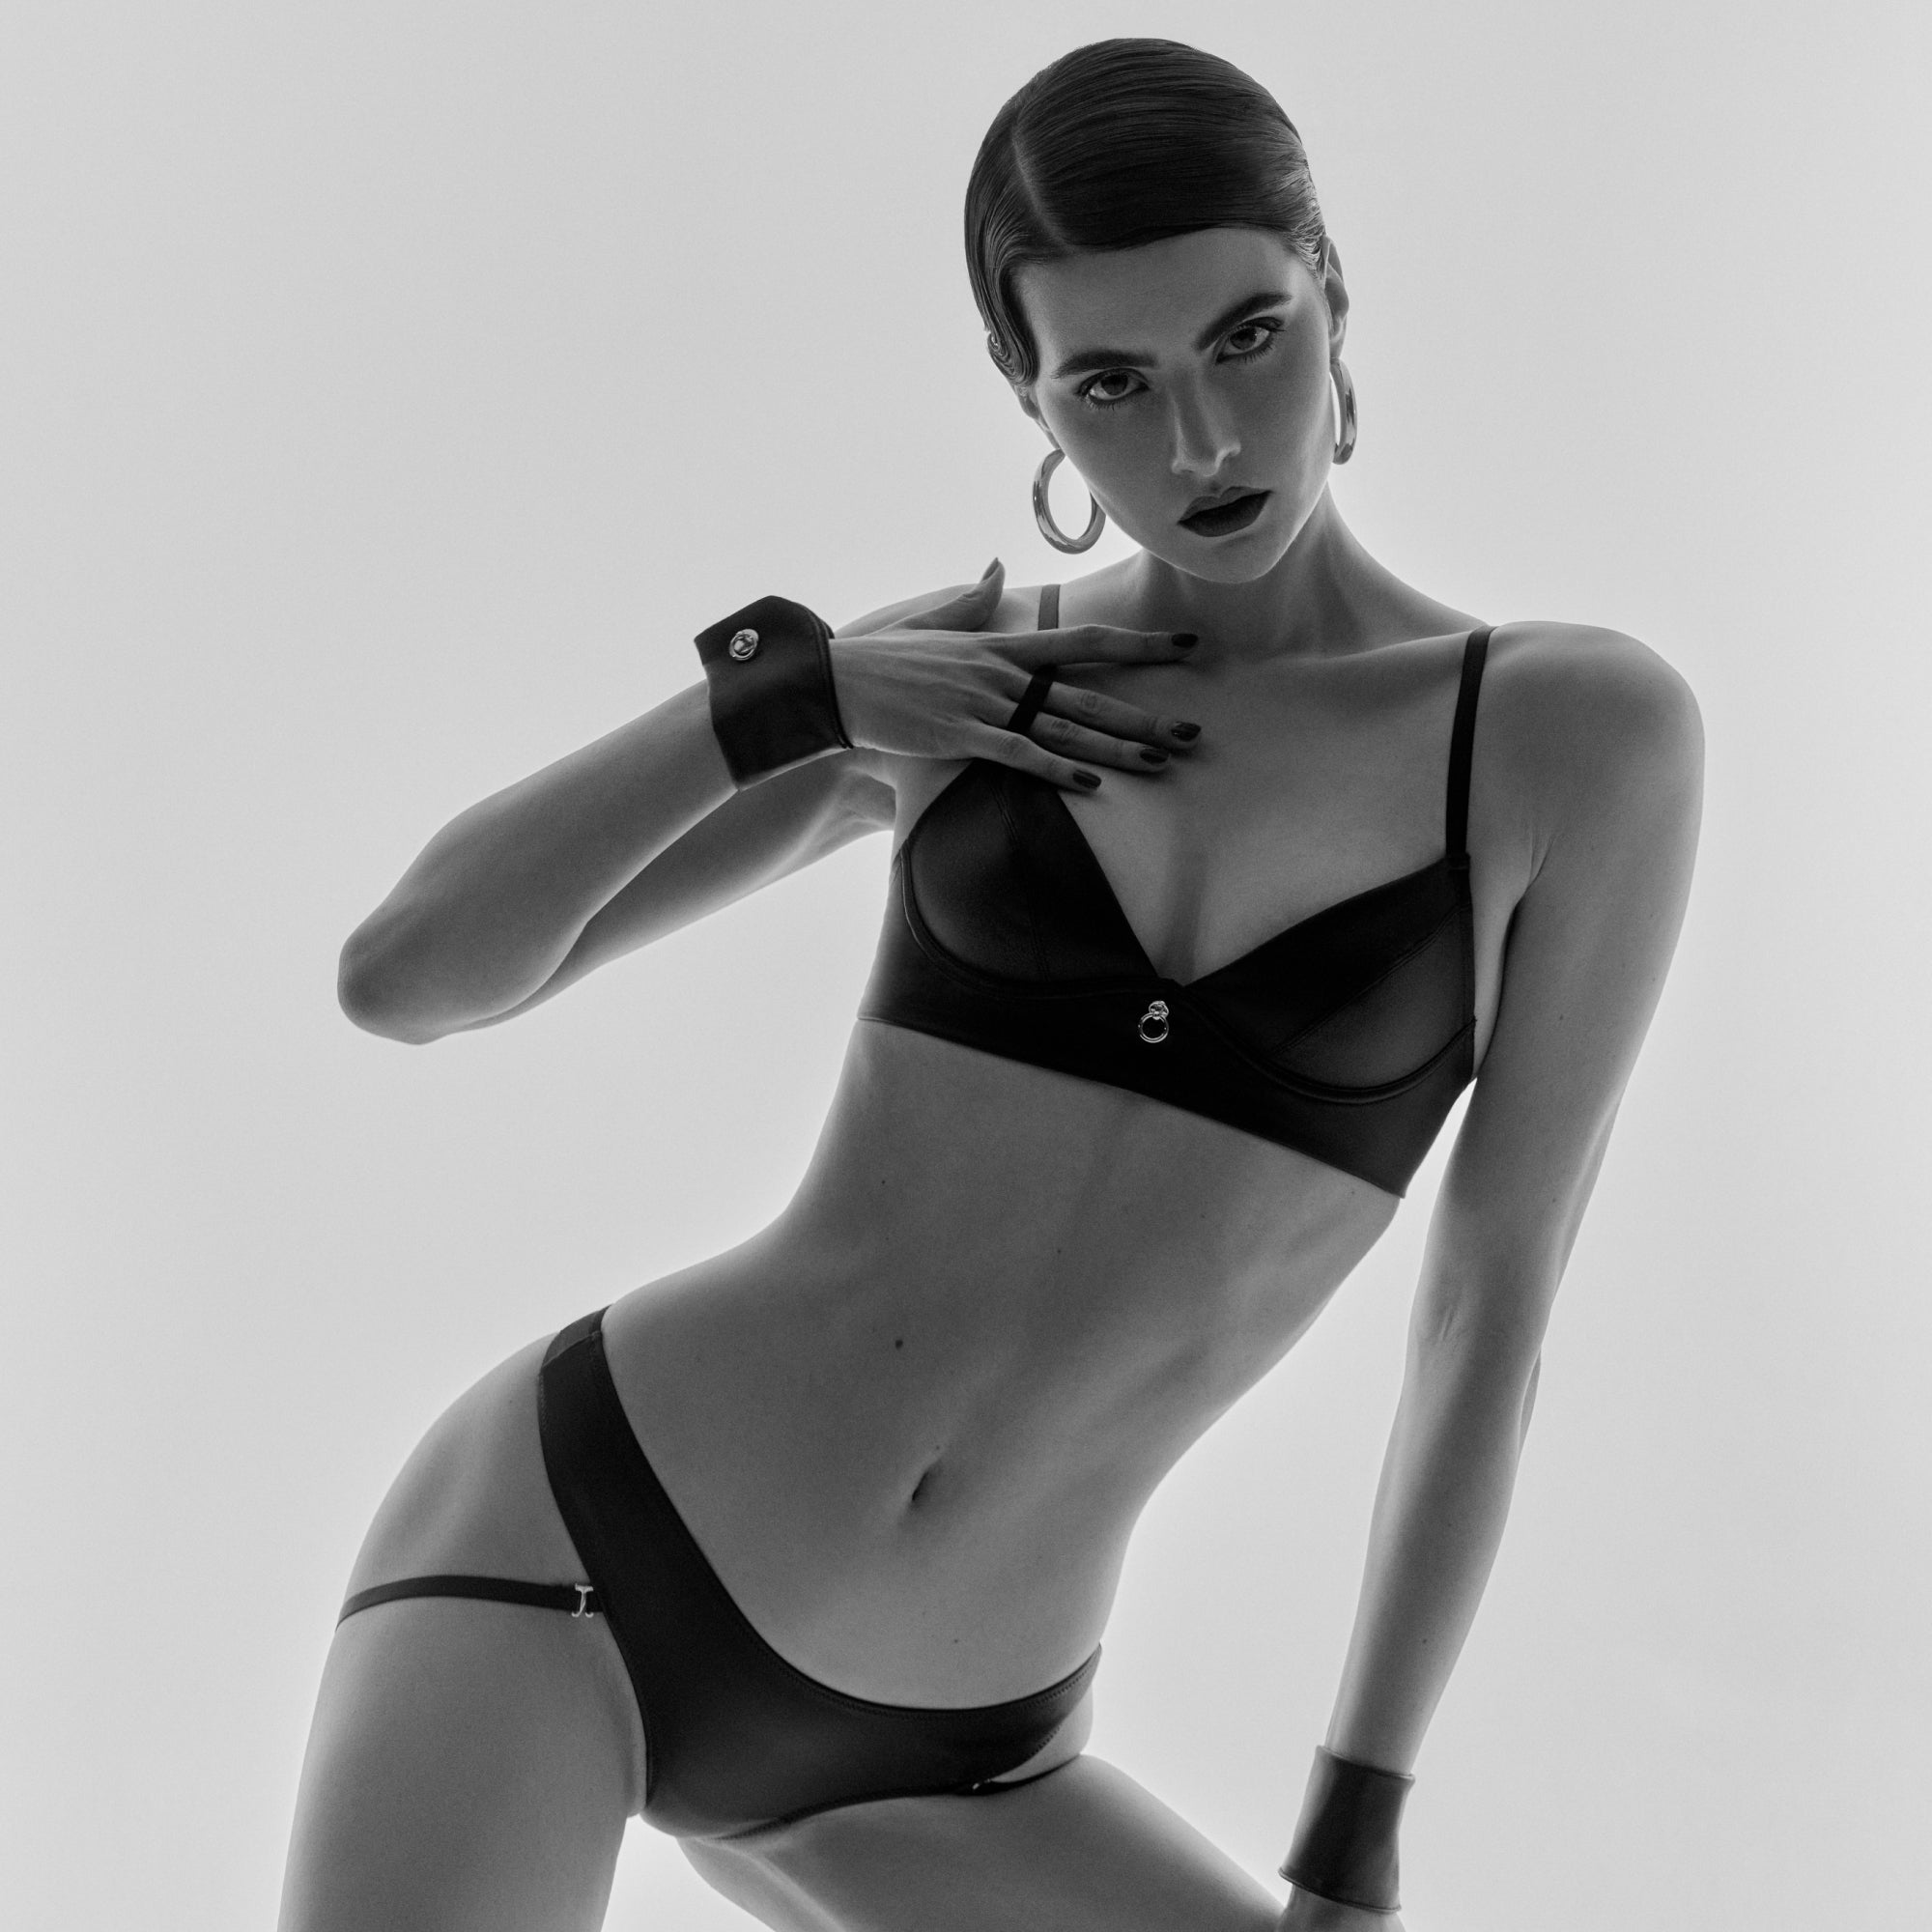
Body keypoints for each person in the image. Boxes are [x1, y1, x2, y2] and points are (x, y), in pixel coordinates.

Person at [279, 37, 1702, 1932]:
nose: (1200, 443)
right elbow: (411, 977)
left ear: (1333, 295)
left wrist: (1351, 1832)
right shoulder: (964, 685)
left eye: (1247, 341)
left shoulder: (1567, 737)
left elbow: (1485, 1307)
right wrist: (794, 698)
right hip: (575, 1554)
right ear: (1025, 394)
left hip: (954, 1751)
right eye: (1111, 382)